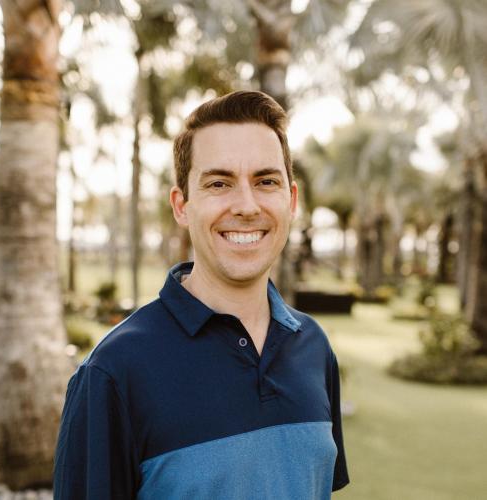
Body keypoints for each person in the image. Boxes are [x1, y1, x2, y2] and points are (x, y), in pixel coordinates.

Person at [54, 90, 349, 499]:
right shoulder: (113, 372)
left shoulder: (313, 347)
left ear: (291, 200)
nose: (247, 206)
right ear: (181, 206)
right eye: (219, 183)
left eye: (266, 181)